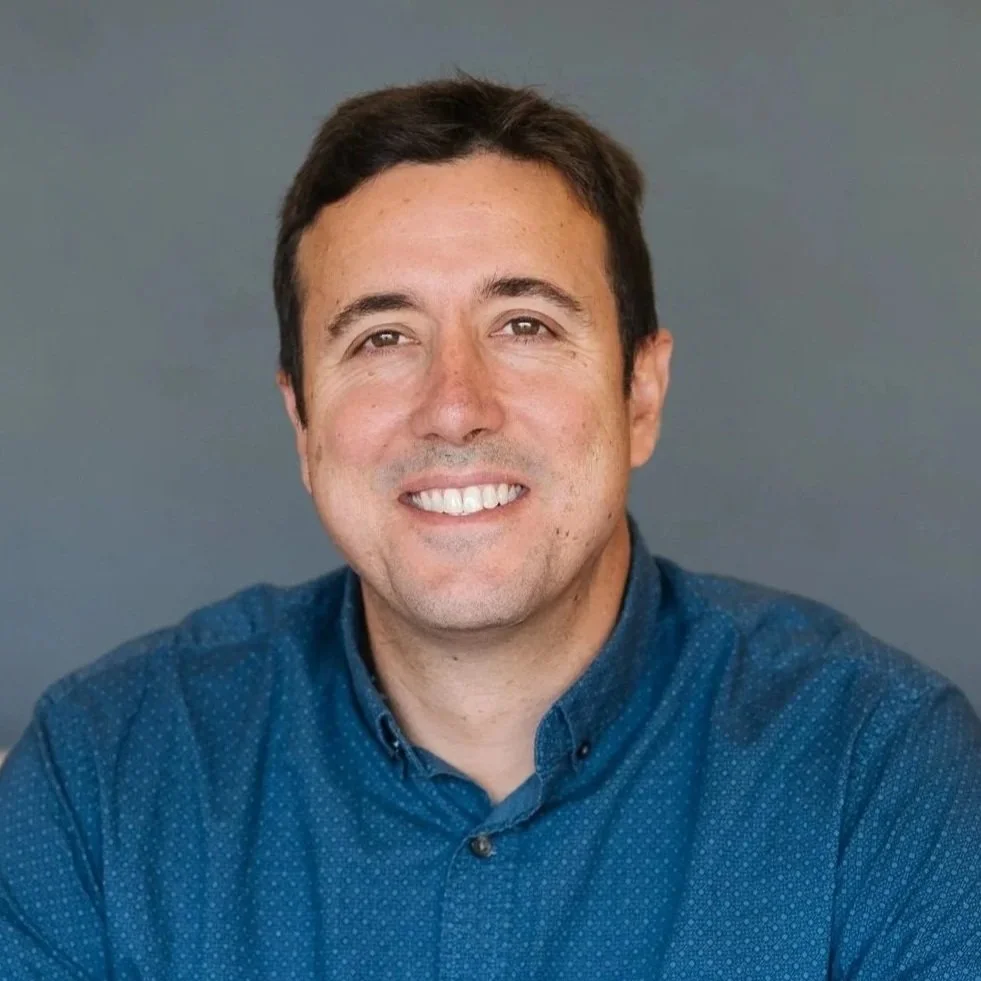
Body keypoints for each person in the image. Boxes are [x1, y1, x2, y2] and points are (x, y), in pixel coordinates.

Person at [1, 73, 979, 980]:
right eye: (383, 338)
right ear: (302, 425)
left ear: (642, 392)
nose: (454, 406)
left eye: (526, 326)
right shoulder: (105, 776)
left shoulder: (877, 766)